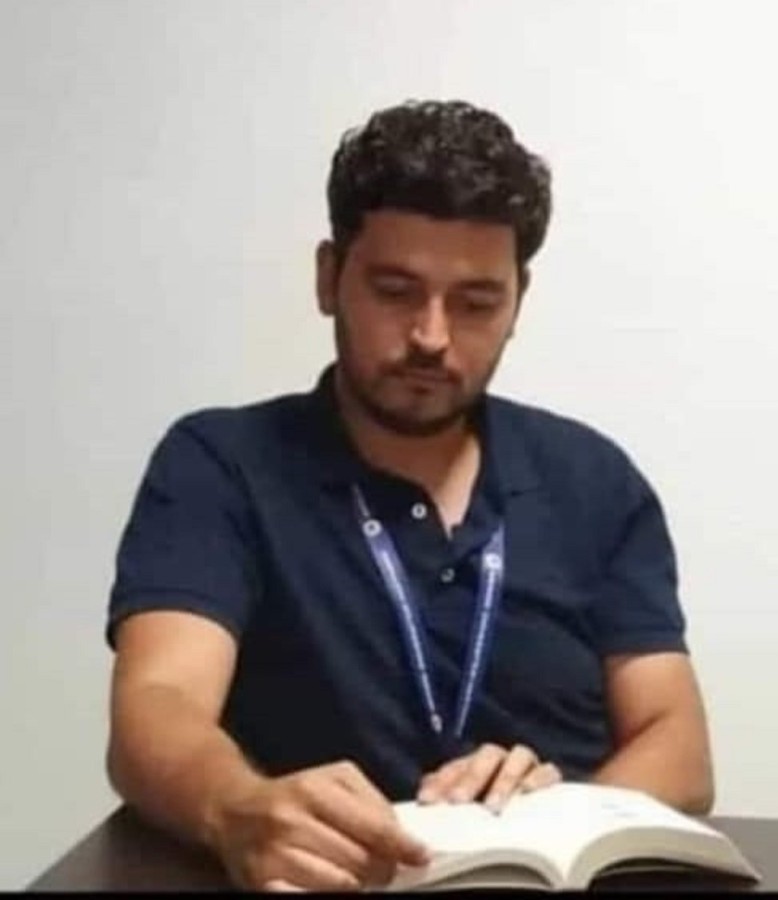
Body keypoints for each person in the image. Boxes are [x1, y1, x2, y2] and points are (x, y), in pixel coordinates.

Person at [104, 99, 714, 892]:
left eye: (475, 303)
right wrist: (237, 807)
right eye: (396, 291)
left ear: (518, 301)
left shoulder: (593, 478)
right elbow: (157, 703)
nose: (431, 335)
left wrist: (564, 820)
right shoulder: (222, 464)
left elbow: (679, 744)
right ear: (329, 278)